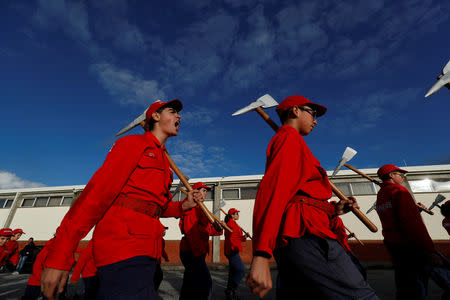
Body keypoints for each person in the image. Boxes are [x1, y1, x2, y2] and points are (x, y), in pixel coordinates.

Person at [41, 99, 204, 300]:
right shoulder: (131, 144)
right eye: (172, 111)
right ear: (155, 116)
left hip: (148, 249)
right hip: (122, 246)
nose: (179, 116)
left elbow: (158, 207)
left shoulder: (165, 163)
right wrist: (60, 255)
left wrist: (184, 205)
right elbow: (96, 195)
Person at [246, 95, 378, 299]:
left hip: (305, 230)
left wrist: (334, 209)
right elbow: (274, 192)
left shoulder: (294, 141)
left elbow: (303, 194)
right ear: (295, 111)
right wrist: (261, 254)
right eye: (313, 113)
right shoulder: (288, 137)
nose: (316, 120)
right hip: (307, 234)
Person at [375, 164, 443, 299]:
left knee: (404, 285)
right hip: (410, 246)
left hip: (394, 245)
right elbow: (413, 224)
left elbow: (395, 217)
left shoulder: (381, 195)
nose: (402, 177)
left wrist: (413, 210)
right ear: (391, 175)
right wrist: (430, 250)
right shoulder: (400, 191)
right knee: (416, 287)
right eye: (400, 175)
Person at [179, 182, 223, 300]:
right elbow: (190, 232)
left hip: (196, 252)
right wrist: (198, 255)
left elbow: (206, 230)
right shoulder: (193, 208)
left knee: (190, 285)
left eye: (205, 191)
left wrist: (218, 228)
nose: (205, 193)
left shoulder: (201, 208)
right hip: (192, 252)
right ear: (195, 192)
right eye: (203, 190)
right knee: (204, 284)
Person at [224, 208, 248, 300]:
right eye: (236, 213)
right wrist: (223, 225)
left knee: (233, 272)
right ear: (232, 215)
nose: (238, 215)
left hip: (233, 250)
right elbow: (231, 236)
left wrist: (244, 237)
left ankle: (229, 291)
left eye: (237, 213)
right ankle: (232, 289)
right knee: (241, 270)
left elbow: (237, 237)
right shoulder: (230, 224)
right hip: (232, 250)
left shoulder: (234, 224)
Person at [154, 226, 169, 293]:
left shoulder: (162, 240)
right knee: (158, 276)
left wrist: (166, 257)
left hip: (157, 262)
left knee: (158, 276)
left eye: (165, 230)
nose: (164, 232)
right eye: (163, 230)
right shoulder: (155, 239)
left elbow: (162, 250)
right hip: (153, 261)